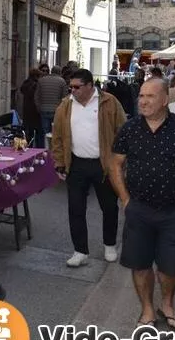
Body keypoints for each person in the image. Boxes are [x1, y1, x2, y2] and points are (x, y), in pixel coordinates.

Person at [108, 78, 175, 330]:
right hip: (138, 209)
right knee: (140, 264)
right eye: (141, 96)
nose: (143, 101)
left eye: (150, 96)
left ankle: (168, 304)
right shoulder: (129, 129)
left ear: (165, 100)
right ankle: (148, 310)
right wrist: (125, 200)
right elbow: (115, 164)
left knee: (170, 266)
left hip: (173, 211)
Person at [52, 69, 126, 267]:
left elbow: (122, 130)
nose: (72, 90)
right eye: (71, 87)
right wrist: (59, 161)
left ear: (89, 85)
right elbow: (57, 135)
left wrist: (120, 160)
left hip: (104, 165)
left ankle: (109, 244)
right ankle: (80, 251)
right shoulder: (66, 105)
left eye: (77, 87)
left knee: (109, 206)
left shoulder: (109, 102)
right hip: (76, 164)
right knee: (75, 208)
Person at [34, 65, 68, 145]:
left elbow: (36, 96)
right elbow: (65, 97)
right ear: (60, 72)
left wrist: (38, 107)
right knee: (55, 132)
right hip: (56, 110)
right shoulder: (62, 81)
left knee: (45, 131)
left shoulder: (41, 80)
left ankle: (45, 149)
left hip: (43, 109)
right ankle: (53, 149)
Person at [19, 68, 42, 148]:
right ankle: (36, 147)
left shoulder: (26, 83)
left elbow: (22, 90)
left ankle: (28, 145)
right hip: (34, 109)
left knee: (29, 131)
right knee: (38, 131)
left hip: (27, 109)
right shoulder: (36, 84)